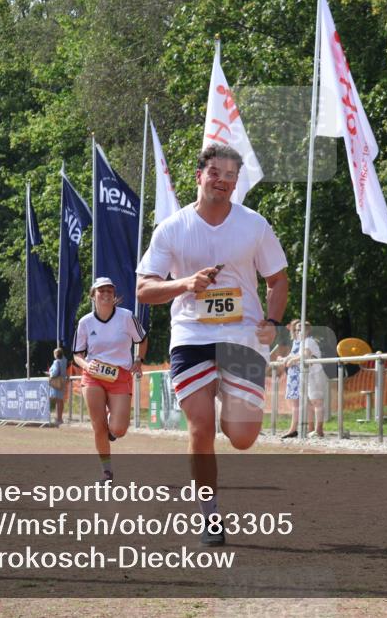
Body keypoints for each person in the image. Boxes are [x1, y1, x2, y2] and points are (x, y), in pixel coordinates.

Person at [136, 143, 288, 547]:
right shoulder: (172, 228)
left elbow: (277, 280)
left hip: (242, 337)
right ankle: (210, 516)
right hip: (192, 336)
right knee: (200, 428)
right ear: (199, 176)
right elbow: (143, 289)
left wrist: (272, 321)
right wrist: (185, 283)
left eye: (231, 175)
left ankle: (231, 404)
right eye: (216, 172)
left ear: (237, 184)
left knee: (241, 436)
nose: (223, 180)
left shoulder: (254, 225)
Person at [72, 277, 148, 482]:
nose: (105, 294)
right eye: (101, 291)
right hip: (92, 376)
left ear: (114, 295)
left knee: (118, 429)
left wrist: (138, 360)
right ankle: (106, 471)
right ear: (93, 295)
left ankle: (110, 424)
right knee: (98, 426)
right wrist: (87, 365)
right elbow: (77, 354)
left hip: (119, 375)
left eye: (109, 291)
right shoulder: (85, 322)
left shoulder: (126, 317)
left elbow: (141, 339)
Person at [281, 320, 328, 439]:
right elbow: (299, 355)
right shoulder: (303, 342)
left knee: (317, 402)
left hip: (315, 373)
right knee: (312, 402)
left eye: (299, 330)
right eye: (296, 330)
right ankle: (314, 429)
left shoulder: (308, 341)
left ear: (307, 330)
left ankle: (319, 430)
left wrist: (292, 360)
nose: (297, 333)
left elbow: (305, 355)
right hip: (309, 374)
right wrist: (287, 359)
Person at [47, 348, 68, 427]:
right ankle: (59, 418)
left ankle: (58, 418)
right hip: (62, 381)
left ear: (56, 355)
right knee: (60, 400)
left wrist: (50, 373)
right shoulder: (64, 361)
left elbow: (55, 372)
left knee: (56, 400)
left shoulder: (56, 362)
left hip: (56, 382)